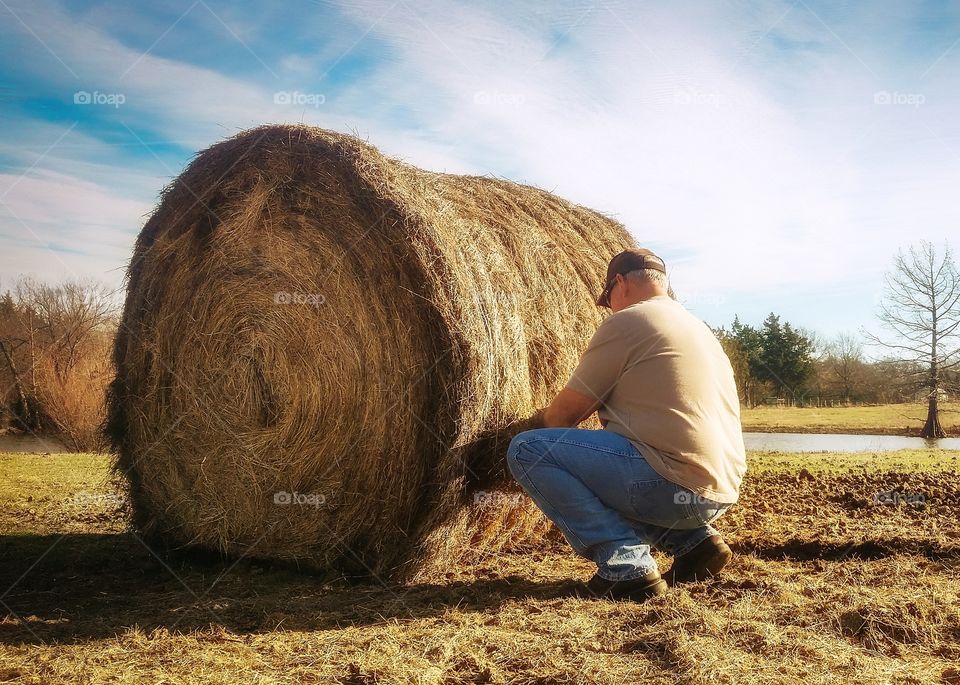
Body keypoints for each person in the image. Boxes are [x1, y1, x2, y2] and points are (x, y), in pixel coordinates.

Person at [506, 248, 746, 602]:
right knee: (612, 452)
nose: (610, 307)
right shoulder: (697, 327)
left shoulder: (629, 321)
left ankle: (626, 568)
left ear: (619, 283)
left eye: (608, 299)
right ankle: (694, 543)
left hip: (672, 485)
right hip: (718, 492)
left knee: (529, 449)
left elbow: (562, 418)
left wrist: (512, 427)